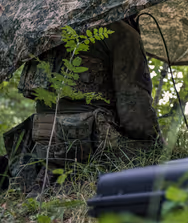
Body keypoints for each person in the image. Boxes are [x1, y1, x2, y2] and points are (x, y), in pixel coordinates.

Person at [3, 17, 161, 195]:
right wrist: (157, 147)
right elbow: (135, 114)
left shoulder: (41, 26)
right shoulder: (121, 32)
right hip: (95, 150)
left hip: (43, 146)